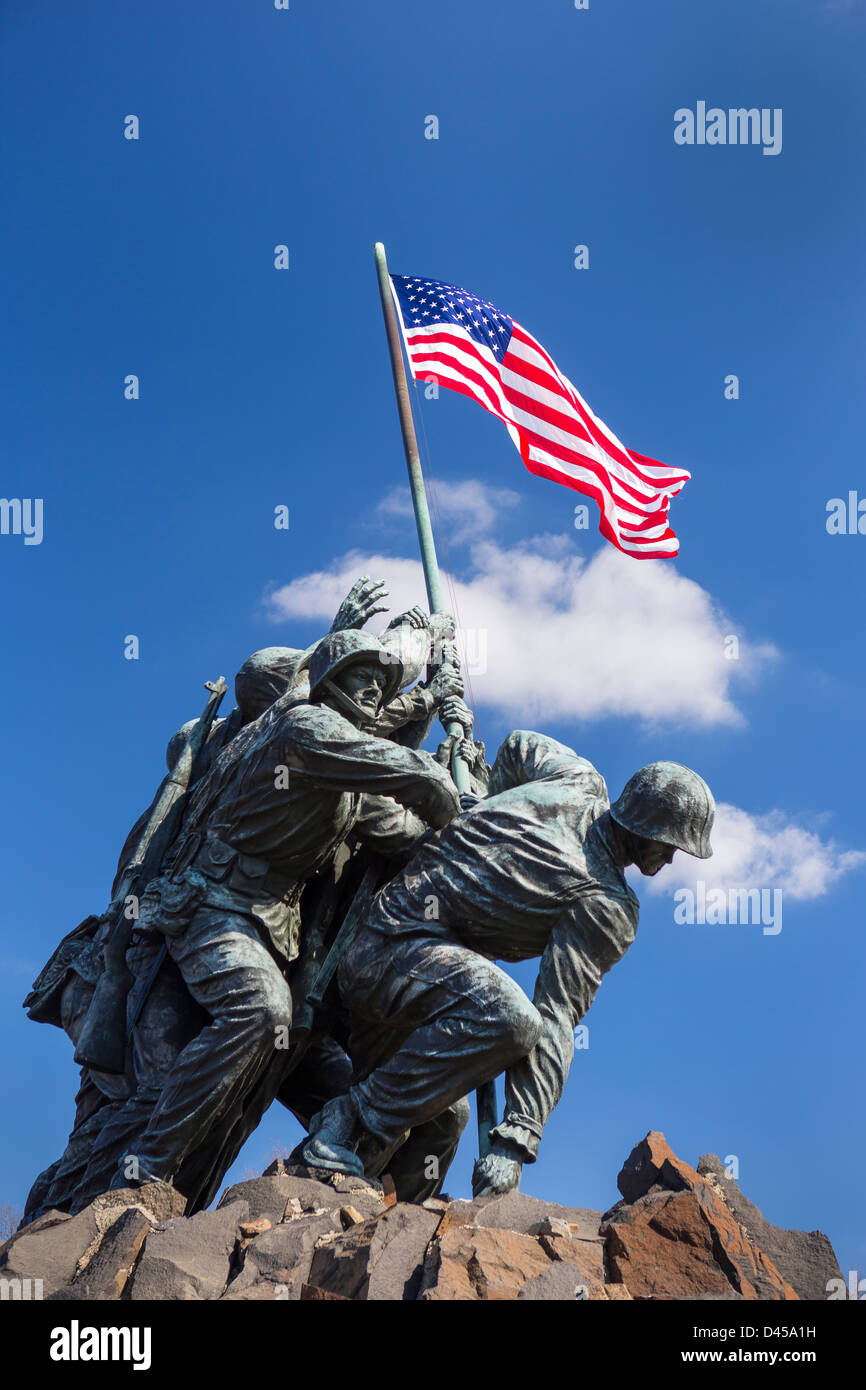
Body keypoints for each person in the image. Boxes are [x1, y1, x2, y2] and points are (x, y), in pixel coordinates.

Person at [300, 730, 714, 1200]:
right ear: (643, 825)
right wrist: (518, 1138)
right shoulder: (605, 905)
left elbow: (518, 746)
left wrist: (493, 802)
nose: (671, 858)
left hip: (412, 977)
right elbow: (555, 1015)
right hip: (391, 950)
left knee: (444, 1122)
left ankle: (368, 1213)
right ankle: (348, 1118)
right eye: (669, 844)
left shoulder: (578, 778)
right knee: (511, 1020)